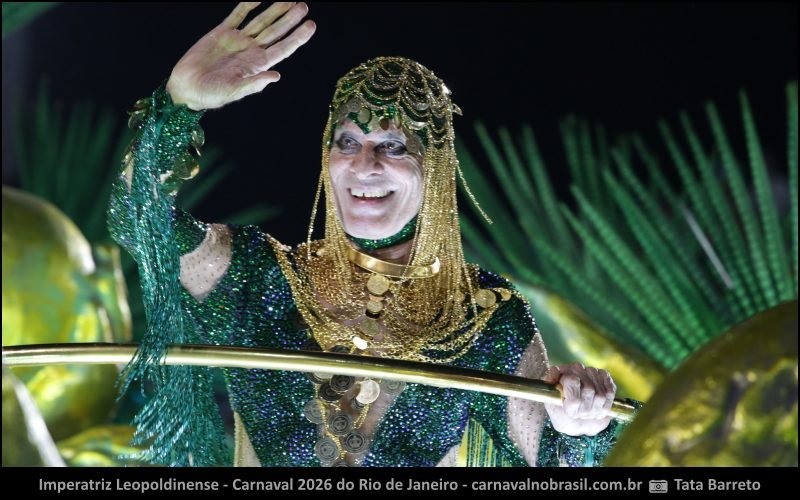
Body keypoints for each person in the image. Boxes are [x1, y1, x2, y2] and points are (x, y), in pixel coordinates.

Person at [108, 2, 636, 467]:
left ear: (434, 169)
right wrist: (177, 107)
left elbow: (562, 460)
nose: (364, 165)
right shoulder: (262, 281)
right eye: (348, 141)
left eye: (394, 146)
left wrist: (580, 421)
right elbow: (138, 220)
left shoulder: (482, 316)